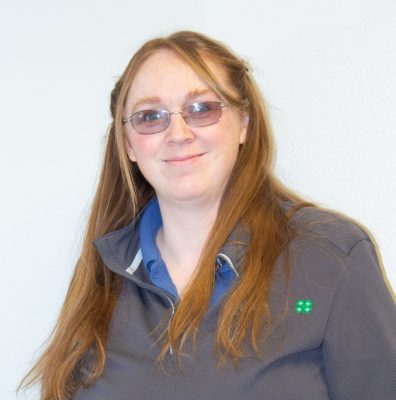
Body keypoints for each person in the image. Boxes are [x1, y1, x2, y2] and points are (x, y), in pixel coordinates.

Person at [20, 31, 396, 400]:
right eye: (151, 116)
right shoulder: (104, 271)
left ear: (244, 122)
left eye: (202, 108)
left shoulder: (330, 255)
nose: (178, 133)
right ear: (129, 144)